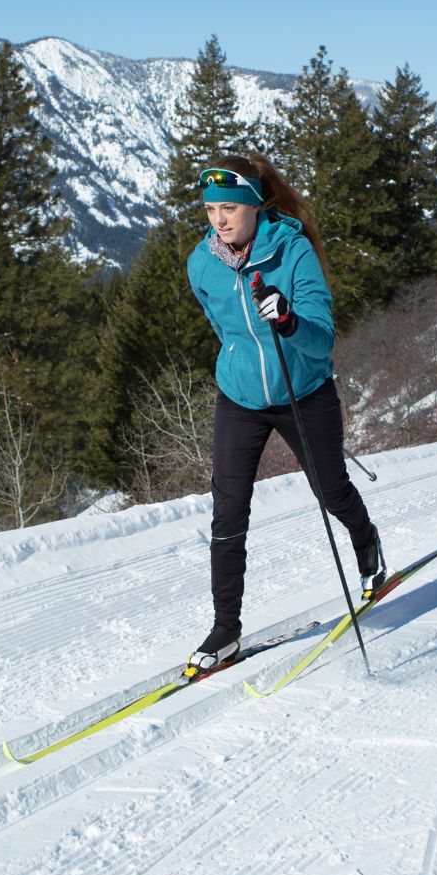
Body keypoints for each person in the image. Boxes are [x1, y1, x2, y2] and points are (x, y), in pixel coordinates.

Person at [182, 153, 384, 677]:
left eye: (229, 207)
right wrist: (239, 363)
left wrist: (290, 319)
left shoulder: (292, 251)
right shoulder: (201, 263)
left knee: (331, 489)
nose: (219, 220)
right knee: (228, 511)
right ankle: (225, 630)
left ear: (253, 204)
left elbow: (322, 340)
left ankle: (368, 545)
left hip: (303, 390)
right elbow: (225, 330)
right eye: (210, 209)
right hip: (240, 397)